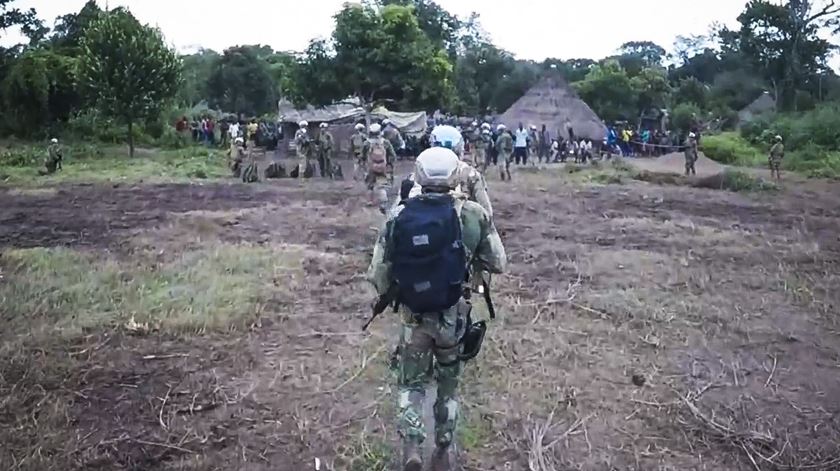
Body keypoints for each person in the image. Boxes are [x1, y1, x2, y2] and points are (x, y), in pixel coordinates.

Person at [367, 147, 506, 471]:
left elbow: (377, 273)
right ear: (457, 175)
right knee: (448, 385)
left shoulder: (400, 213)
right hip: (453, 317)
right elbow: (498, 262)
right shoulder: (472, 213)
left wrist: (402, 292)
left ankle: (413, 444)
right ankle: (443, 449)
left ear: (418, 175)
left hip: (413, 318)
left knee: (411, 384)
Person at [364, 123, 397, 214]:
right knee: (382, 186)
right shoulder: (385, 142)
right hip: (383, 166)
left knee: (370, 185)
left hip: (371, 167)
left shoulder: (366, 143)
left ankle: (369, 201)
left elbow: (362, 156)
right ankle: (383, 203)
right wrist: (390, 164)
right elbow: (392, 155)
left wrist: (363, 164)